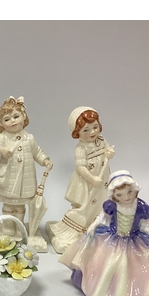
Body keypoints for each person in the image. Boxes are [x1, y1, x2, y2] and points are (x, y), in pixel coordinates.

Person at [59, 170, 149, 296]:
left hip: (132, 240)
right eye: (120, 194)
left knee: (134, 263)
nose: (126, 197)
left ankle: (130, 294)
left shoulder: (140, 207)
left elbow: (146, 225)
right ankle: (100, 289)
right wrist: (93, 226)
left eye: (129, 192)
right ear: (114, 195)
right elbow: (103, 218)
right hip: (112, 238)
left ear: (135, 190)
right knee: (103, 260)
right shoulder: (112, 206)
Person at [46, 106, 115, 253]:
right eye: (86, 130)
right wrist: (92, 179)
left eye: (95, 127)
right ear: (77, 132)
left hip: (102, 179)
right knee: (86, 203)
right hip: (87, 181)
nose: (92, 132)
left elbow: (108, 150)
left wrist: (109, 153)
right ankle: (79, 229)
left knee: (101, 201)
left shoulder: (101, 139)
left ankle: (96, 226)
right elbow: (80, 168)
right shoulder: (80, 149)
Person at [0, 96, 53, 247]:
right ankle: (8, 227)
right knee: (9, 204)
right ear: (1, 123)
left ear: (23, 116)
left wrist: (44, 160)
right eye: (7, 119)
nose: (13, 121)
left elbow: (37, 152)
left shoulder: (29, 138)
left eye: (16, 116)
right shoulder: (3, 137)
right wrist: (0, 150)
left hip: (25, 179)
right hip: (9, 178)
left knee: (20, 205)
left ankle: (19, 225)